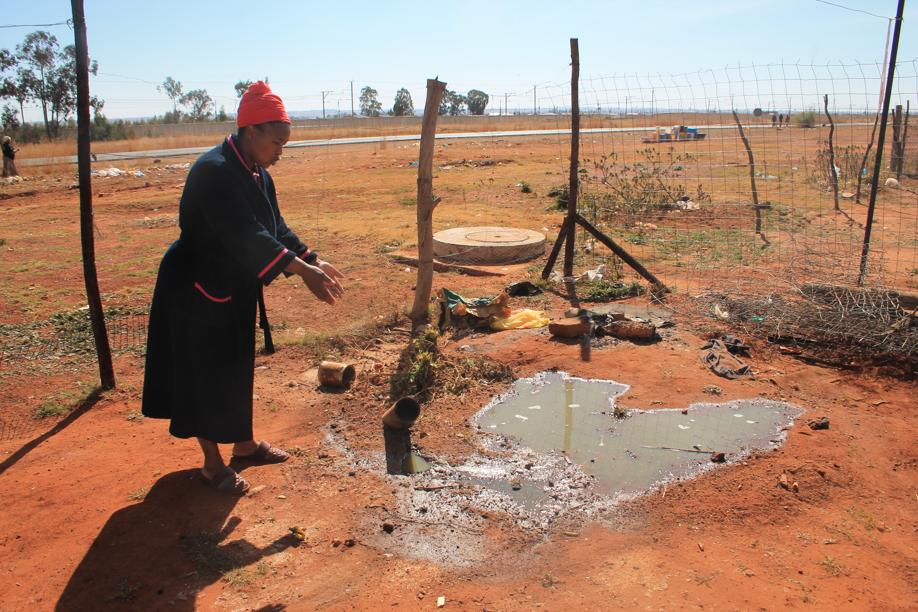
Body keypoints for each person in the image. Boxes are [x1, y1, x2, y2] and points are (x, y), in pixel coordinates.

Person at [141, 82, 344, 495]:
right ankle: (213, 466)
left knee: (234, 367)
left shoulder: (255, 172)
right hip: (196, 288)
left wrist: (311, 257)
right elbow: (246, 234)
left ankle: (244, 444)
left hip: (231, 288)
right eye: (277, 143)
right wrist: (302, 271)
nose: (280, 153)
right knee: (204, 374)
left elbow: (274, 227)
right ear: (251, 131)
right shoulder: (214, 171)